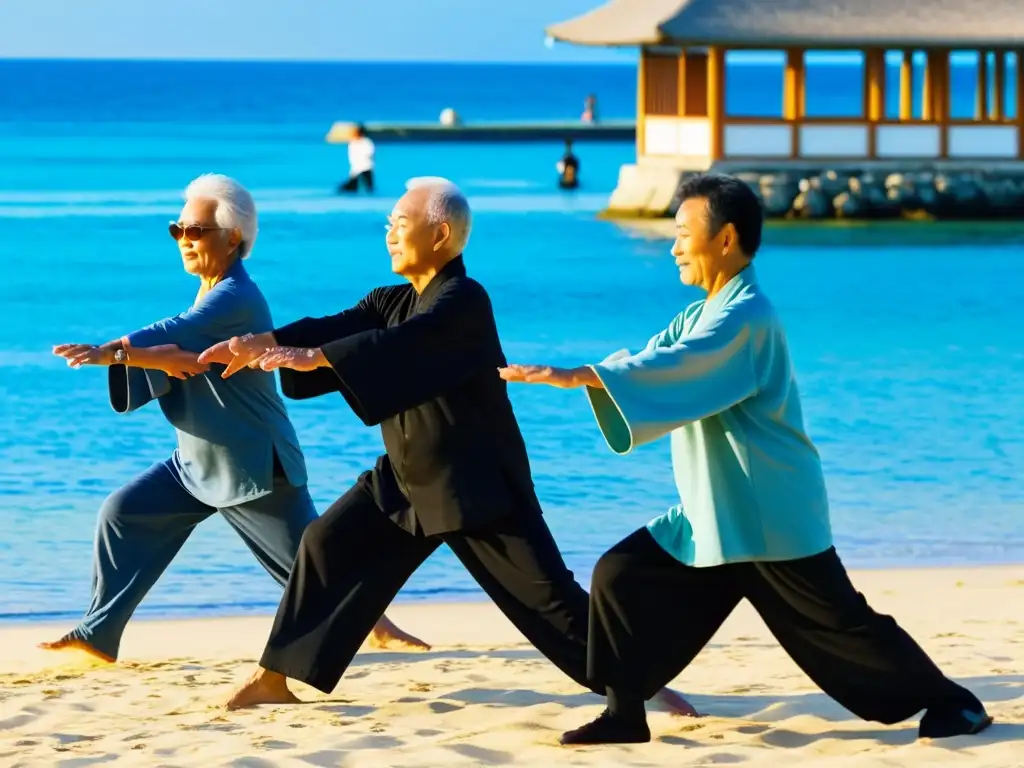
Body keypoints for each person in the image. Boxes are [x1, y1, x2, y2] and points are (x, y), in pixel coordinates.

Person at [499, 173, 993, 745]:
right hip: (716, 514)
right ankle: (625, 712)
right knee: (622, 574)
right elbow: (656, 359)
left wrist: (582, 376)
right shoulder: (706, 312)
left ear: (726, 238)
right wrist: (588, 375)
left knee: (841, 631)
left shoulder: (747, 316)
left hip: (766, 516)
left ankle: (955, 704)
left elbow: (680, 367)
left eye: (684, 233)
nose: (674, 245)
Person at [198, 177, 695, 717]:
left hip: (475, 485)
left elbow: (399, 347)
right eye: (387, 224)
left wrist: (317, 359)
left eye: (400, 224)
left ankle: (641, 684)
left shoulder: (464, 301)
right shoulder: (392, 299)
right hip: (406, 480)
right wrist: (261, 344)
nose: (389, 234)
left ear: (440, 235)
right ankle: (276, 676)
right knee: (325, 545)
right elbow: (337, 327)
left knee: (550, 603)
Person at [44, 174, 424, 664]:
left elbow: (173, 335)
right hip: (197, 463)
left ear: (233, 238)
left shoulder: (236, 297)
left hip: (252, 464)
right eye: (177, 229)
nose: (184, 240)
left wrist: (112, 353)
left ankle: (379, 628)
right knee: (123, 514)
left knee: (310, 566)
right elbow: (175, 348)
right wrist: (143, 357)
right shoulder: (209, 297)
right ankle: (98, 634)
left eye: (196, 231)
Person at [339, 124, 375, 193]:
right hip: (356, 170)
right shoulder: (353, 143)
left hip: (366, 168)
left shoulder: (366, 142)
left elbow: (369, 155)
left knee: (369, 188)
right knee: (351, 189)